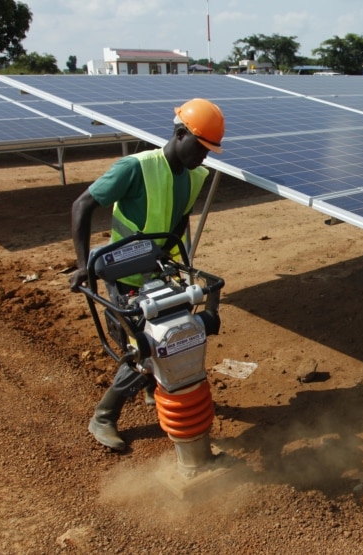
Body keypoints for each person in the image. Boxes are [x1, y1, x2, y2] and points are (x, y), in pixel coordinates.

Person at [68, 98, 224, 451]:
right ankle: (104, 416)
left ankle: (159, 389)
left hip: (161, 275)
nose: (204, 157)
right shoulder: (135, 168)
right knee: (146, 351)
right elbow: (82, 205)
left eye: (209, 151)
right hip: (124, 279)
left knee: (175, 339)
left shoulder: (195, 176)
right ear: (180, 133)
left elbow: (178, 219)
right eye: (200, 147)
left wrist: (178, 265)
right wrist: (83, 266)